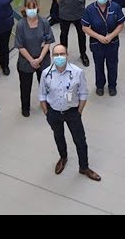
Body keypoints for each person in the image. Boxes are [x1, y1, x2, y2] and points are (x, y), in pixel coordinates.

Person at [39, 44, 101, 181]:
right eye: (56, 55)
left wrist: (78, 112)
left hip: (72, 112)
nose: (59, 57)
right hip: (54, 112)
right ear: (52, 57)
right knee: (58, 136)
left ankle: (84, 167)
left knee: (80, 140)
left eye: (62, 54)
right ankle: (63, 157)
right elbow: (42, 95)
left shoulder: (77, 72)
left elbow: (83, 93)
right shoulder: (46, 74)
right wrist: (47, 113)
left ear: (67, 55)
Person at [81, 0, 125, 96]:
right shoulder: (90, 9)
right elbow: (85, 27)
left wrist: (111, 36)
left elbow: (121, 24)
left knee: (112, 65)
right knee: (98, 65)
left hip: (112, 42)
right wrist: (98, 37)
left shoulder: (115, 7)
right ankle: (100, 85)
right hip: (97, 43)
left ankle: (112, 86)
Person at [15, 0, 55, 117]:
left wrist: (40, 58)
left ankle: (47, 103)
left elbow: (48, 42)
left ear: (37, 8)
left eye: (33, 7)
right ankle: (25, 107)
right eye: (29, 7)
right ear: (25, 9)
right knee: (25, 86)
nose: (31, 10)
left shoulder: (44, 23)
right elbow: (20, 46)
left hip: (43, 59)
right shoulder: (21, 25)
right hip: (26, 61)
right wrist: (32, 60)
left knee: (45, 84)